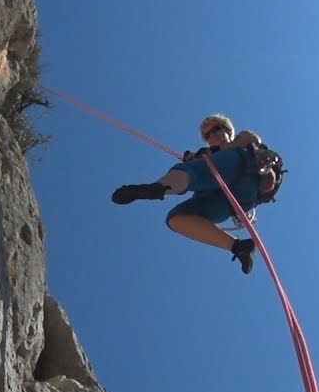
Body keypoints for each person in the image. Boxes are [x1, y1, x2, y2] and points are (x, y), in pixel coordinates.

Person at [111, 114, 277, 275]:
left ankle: (159, 188)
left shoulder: (241, 138)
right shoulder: (210, 153)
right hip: (227, 200)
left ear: (228, 129)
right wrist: (201, 156)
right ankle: (238, 246)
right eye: (208, 135)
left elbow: (251, 140)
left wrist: (205, 155)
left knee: (197, 170)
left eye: (216, 129)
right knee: (177, 218)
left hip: (243, 172)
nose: (213, 135)